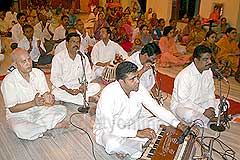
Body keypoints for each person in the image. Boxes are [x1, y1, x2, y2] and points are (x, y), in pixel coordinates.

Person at [94, 61, 186, 159]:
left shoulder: (138, 88)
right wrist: (138, 133)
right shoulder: (108, 95)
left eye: (137, 76)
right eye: (132, 79)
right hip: (111, 130)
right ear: (121, 82)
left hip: (135, 123)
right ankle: (139, 147)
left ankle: (133, 148)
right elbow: (108, 128)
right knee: (112, 144)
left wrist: (178, 124)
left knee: (161, 122)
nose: (137, 81)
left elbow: (155, 108)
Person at [1, 48, 67, 140]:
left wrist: (49, 98)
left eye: (29, 59)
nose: (28, 63)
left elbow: (45, 93)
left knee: (62, 110)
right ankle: (47, 126)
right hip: (19, 116)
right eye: (23, 61)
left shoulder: (38, 73)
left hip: (39, 111)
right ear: (15, 65)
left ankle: (39, 128)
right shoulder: (9, 81)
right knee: (21, 129)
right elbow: (12, 109)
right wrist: (33, 103)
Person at [171, 45, 222, 127]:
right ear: (196, 60)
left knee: (224, 103)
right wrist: (203, 111)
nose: (209, 62)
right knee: (189, 114)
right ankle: (210, 120)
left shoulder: (208, 72)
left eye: (209, 59)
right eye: (205, 59)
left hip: (203, 104)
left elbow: (210, 93)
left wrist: (211, 107)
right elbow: (183, 101)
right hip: (184, 106)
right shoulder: (185, 75)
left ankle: (206, 119)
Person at [50, 32, 101, 106]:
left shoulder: (83, 57)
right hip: (65, 87)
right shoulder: (58, 58)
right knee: (55, 93)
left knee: (97, 86)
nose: (76, 44)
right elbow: (55, 78)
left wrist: (84, 86)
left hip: (79, 87)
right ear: (67, 44)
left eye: (78, 42)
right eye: (73, 42)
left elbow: (88, 74)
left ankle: (71, 99)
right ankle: (88, 99)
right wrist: (68, 90)